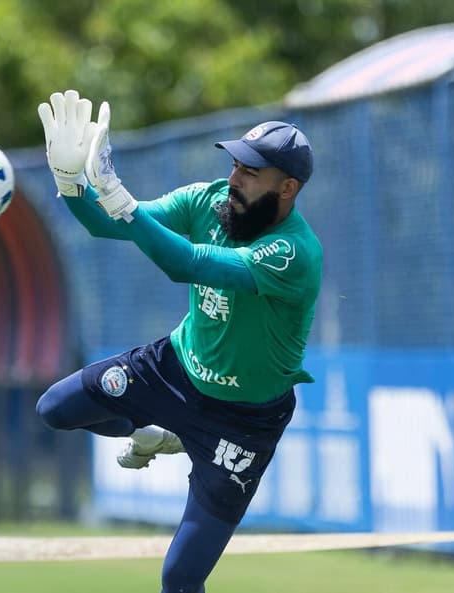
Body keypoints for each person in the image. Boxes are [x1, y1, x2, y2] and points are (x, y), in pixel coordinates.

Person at [33, 90, 322, 593]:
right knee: (55, 408)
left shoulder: (294, 253)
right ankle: (167, 430)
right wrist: (71, 183)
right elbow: (108, 225)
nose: (234, 179)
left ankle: (182, 436)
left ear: (288, 188)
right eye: (235, 165)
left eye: (251, 173)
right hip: (175, 369)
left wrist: (122, 201)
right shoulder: (208, 200)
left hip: (244, 422)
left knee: (180, 578)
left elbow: (187, 264)